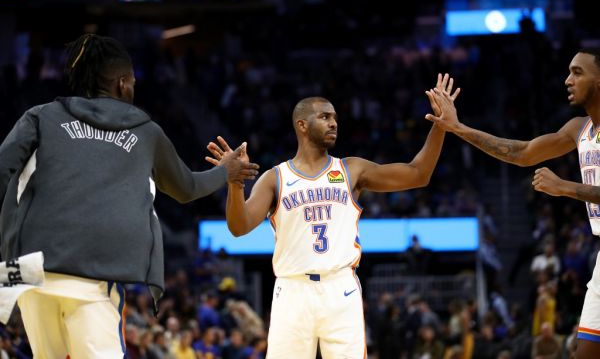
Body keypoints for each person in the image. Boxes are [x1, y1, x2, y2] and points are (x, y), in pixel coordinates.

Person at [0, 33, 259, 358]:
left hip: (31, 272)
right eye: (133, 81)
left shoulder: (39, 116)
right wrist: (226, 172)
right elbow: (186, 188)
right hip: (93, 277)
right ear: (123, 83)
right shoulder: (146, 132)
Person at [205, 74, 460, 358]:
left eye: (335, 117)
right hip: (292, 290)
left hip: (341, 289)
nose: (333, 123)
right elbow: (239, 228)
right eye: (324, 117)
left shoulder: (352, 170)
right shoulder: (275, 178)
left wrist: (440, 127)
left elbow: (418, 174)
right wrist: (235, 183)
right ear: (302, 125)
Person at [424, 48, 600, 359]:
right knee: (583, 352)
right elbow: (522, 153)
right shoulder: (578, 128)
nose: (567, 80)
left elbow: (567, 187)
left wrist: (565, 188)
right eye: (568, 72)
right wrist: (458, 128)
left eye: (577, 72)